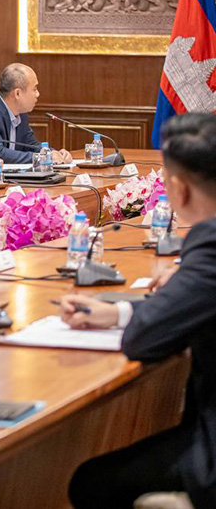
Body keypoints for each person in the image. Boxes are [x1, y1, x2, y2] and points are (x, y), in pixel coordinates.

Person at [60, 113, 216, 509]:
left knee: (88, 483)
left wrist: (145, 312)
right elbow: (198, 306)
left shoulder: (211, 243)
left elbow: (142, 341)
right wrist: (118, 312)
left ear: (177, 189)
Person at [0, 63, 72, 165]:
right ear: (17, 93)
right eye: (35, 89)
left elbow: (31, 144)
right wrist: (42, 158)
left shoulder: (21, 114)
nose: (38, 94)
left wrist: (53, 152)